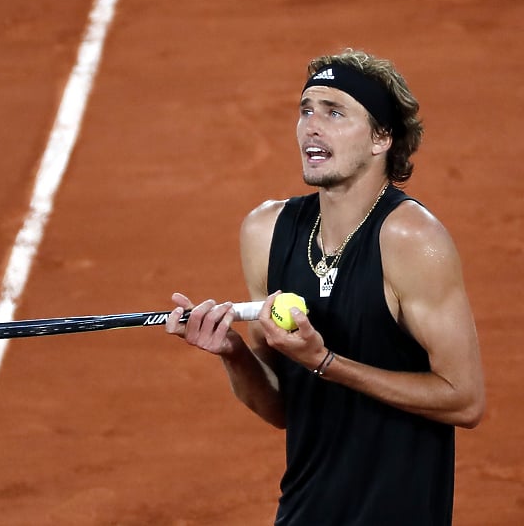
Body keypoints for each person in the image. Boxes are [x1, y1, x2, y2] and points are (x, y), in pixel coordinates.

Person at [165, 48, 485, 525]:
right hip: (305, 510)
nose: (312, 125)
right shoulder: (266, 232)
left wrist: (326, 363)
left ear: (381, 138)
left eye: (335, 112)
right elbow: (281, 408)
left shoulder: (410, 239)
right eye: (306, 110)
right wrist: (232, 352)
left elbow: (465, 398)